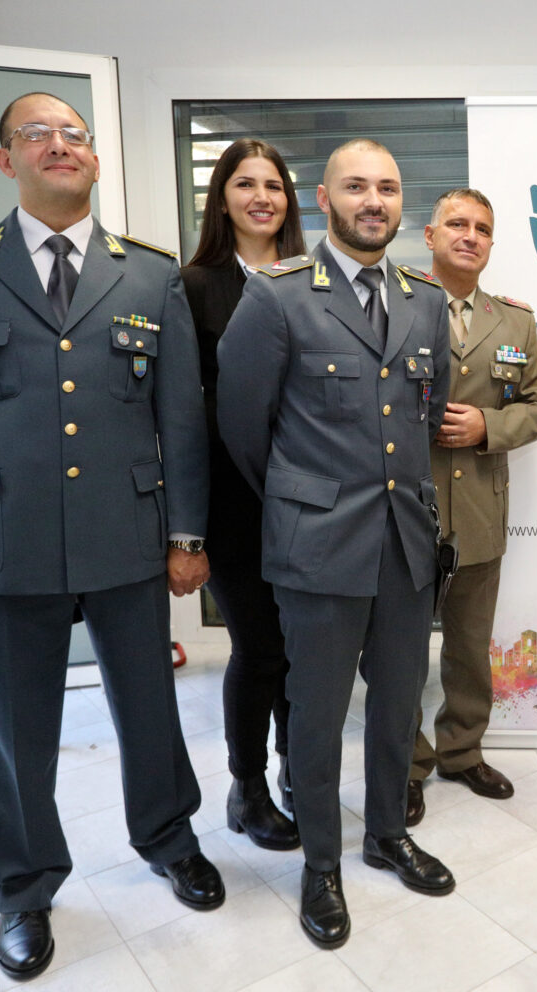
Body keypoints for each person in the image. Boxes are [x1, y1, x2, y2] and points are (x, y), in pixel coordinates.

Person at [0, 92, 223, 980]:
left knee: (149, 711)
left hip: (129, 532)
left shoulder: (150, 274)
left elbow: (181, 419)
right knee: (16, 728)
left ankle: (168, 839)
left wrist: (187, 533)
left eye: (74, 134)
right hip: (7, 542)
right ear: (7, 160)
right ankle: (24, 888)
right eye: (36, 134)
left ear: (92, 160)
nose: (60, 145)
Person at [217, 138, 454, 950]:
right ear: (324, 199)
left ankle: (387, 833)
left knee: (396, 706)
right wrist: (304, 501)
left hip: (405, 544)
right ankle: (321, 864)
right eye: (357, 186)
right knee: (315, 720)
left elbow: (428, 412)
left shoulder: (424, 299)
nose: (374, 201)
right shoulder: (278, 297)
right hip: (318, 545)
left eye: (387, 188)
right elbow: (243, 429)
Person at [405, 188, 537, 824]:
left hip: (480, 511)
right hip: (404, 504)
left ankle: (462, 751)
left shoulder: (514, 320)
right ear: (432, 236)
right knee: (403, 649)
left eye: (482, 229)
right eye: (457, 225)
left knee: (469, 643)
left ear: (492, 244)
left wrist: (488, 426)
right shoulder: (396, 300)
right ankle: (406, 763)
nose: (469, 236)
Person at [182, 139, 304, 851]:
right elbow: (181, 417)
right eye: (245, 183)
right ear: (222, 197)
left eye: (275, 185)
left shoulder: (311, 281)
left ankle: (296, 772)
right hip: (233, 506)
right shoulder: (194, 286)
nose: (262, 196)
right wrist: (187, 532)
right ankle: (247, 787)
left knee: (304, 649)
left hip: (308, 501)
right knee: (259, 649)